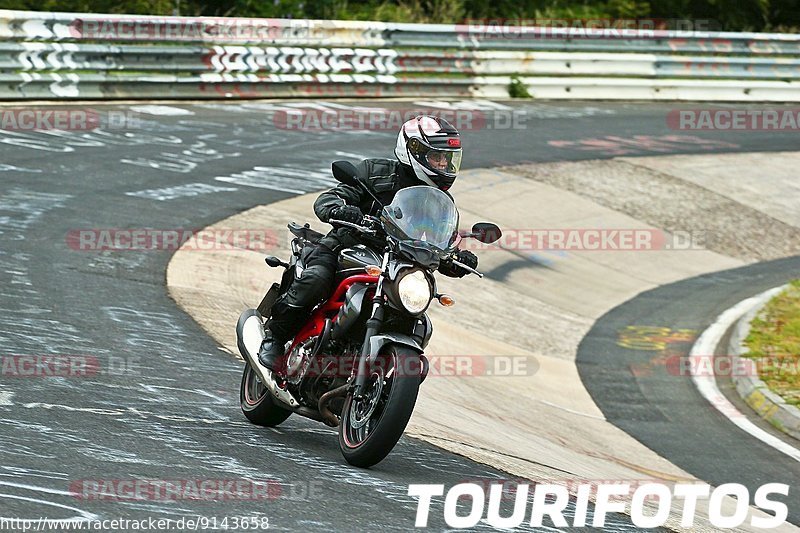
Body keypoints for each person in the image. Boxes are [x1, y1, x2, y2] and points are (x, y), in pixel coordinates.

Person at [258, 115, 479, 371]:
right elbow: (331, 197)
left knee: (415, 313)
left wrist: (456, 258)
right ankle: (275, 338)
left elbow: (438, 240)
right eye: (436, 157)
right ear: (413, 151)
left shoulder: (440, 202)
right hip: (347, 246)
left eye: (447, 159)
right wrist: (340, 209)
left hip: (397, 265)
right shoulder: (374, 173)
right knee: (316, 278)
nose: (443, 165)